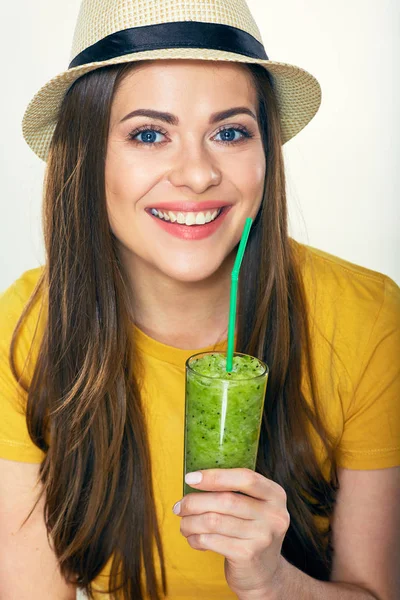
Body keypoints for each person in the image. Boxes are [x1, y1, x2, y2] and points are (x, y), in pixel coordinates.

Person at [0, 0, 399, 599]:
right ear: (86, 158)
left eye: (230, 132)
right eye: (150, 134)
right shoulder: (27, 328)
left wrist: (273, 582)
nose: (197, 173)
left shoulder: (369, 320)